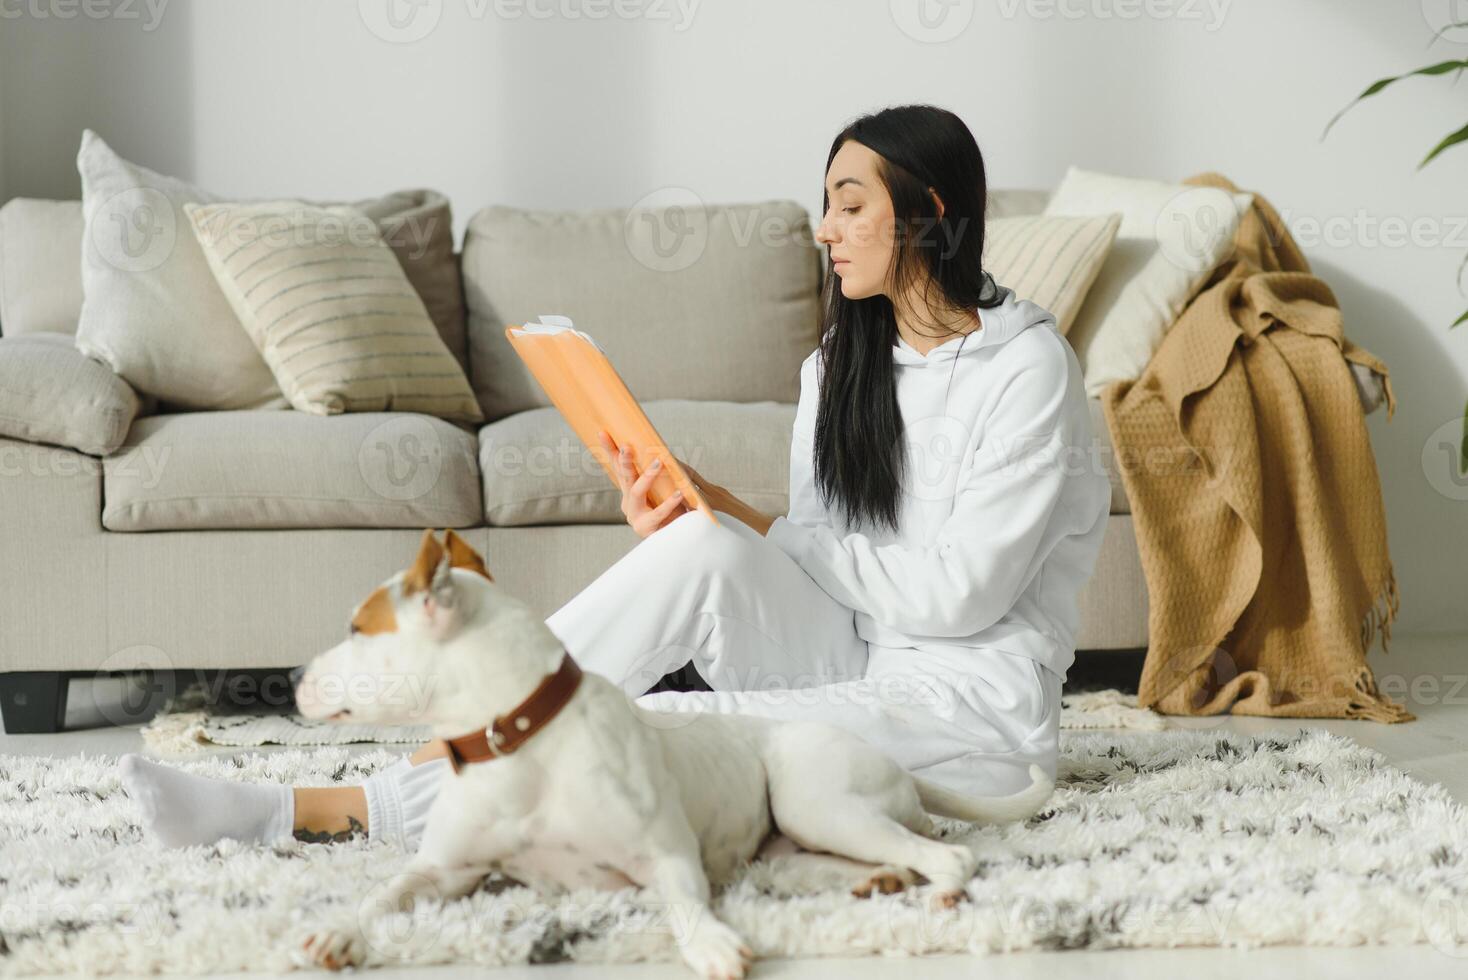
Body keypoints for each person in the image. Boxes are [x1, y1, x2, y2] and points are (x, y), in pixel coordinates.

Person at [120, 103, 1111, 851]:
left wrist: (773, 529)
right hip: (854, 656)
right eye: (823, 205)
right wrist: (715, 513)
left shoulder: (1025, 370)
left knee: (649, 726)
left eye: (850, 206)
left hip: (964, 717)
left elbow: (957, 595)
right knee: (694, 544)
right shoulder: (837, 368)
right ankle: (459, 726)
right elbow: (829, 563)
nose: (824, 229)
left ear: (931, 214)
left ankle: (316, 814)